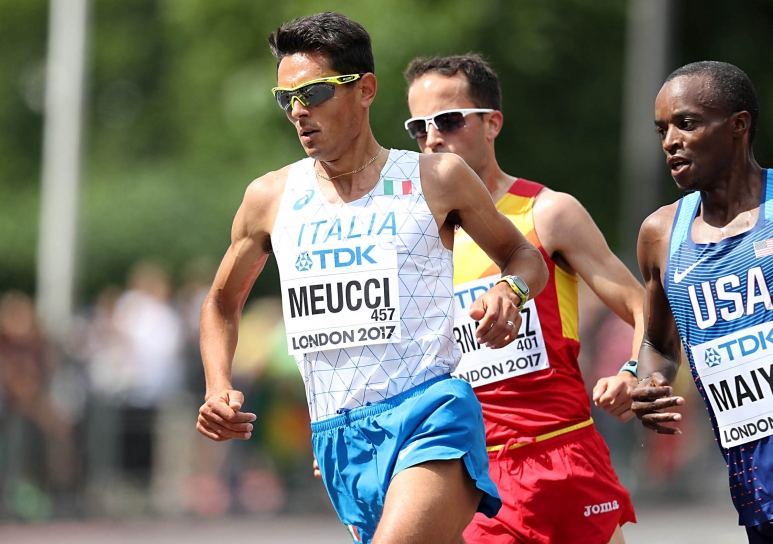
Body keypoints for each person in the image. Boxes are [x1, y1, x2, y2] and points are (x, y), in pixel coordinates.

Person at [195, 13, 549, 544]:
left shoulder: (436, 178)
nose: (298, 111)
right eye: (285, 98)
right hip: (338, 436)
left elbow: (524, 257)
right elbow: (222, 303)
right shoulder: (269, 198)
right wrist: (218, 386)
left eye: (314, 93)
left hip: (430, 415)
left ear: (365, 90)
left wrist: (509, 290)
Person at [404, 54, 643, 544]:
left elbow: (645, 309)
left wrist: (635, 372)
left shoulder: (549, 212)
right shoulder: (411, 239)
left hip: (567, 454)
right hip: (474, 473)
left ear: (492, 123)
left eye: (448, 121)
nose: (432, 138)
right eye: (418, 126)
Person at [631, 61, 773, 543]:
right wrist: (648, 382)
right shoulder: (660, 234)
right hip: (754, 483)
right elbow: (659, 344)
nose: (670, 140)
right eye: (661, 129)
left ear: (739, 126)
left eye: (687, 123)